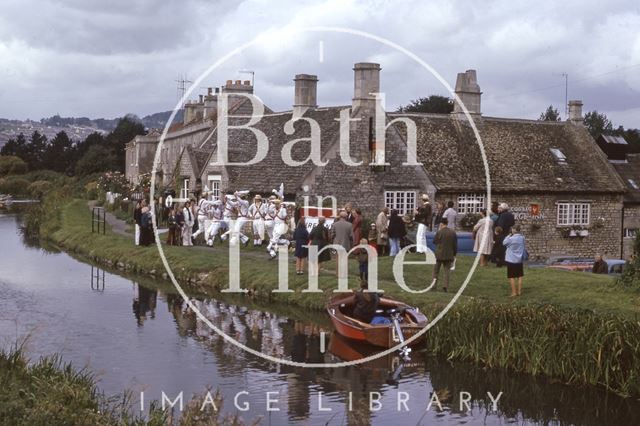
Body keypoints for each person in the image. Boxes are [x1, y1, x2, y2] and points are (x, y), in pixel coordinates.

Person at [431, 218, 457, 292]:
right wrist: (454, 254)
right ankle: (445, 286)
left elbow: (434, 241)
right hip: (449, 254)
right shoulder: (452, 232)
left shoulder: (439, 232)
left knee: (436, 271)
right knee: (446, 271)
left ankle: (433, 285)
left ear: (441, 224)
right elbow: (455, 245)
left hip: (439, 254)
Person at [503, 224, 525, 297]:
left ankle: (514, 292)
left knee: (511, 276)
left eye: (512, 229)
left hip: (511, 259)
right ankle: (519, 291)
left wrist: (509, 235)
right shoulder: (522, 238)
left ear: (514, 230)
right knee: (520, 276)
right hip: (519, 259)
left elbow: (504, 243)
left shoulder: (510, 239)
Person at [332, 211, 354, 277]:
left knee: (338, 259)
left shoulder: (335, 224)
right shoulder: (350, 225)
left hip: (337, 243)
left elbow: (332, 234)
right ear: (346, 217)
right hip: (346, 244)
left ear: (340, 217)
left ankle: (338, 274)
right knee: (345, 260)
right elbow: (351, 236)